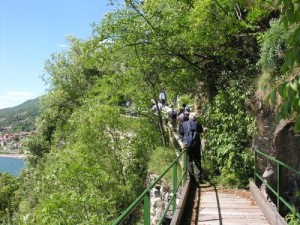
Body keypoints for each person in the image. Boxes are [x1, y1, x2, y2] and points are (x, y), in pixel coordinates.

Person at [180, 112, 203, 183]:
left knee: (189, 160)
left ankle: (191, 178)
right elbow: (201, 131)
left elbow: (181, 132)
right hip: (196, 144)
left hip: (187, 144)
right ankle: (198, 178)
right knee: (197, 160)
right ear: (195, 118)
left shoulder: (184, 124)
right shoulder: (197, 123)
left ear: (189, 117)